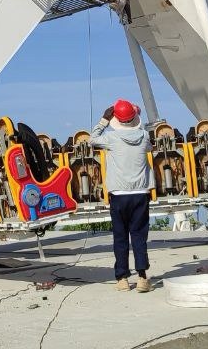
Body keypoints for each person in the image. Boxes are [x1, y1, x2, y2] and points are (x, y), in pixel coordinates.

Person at [90, 99, 153, 292]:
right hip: (140, 193)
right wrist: (137, 116)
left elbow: (92, 139)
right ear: (134, 118)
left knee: (120, 238)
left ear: (114, 118)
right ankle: (142, 278)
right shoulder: (144, 136)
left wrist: (104, 119)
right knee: (139, 237)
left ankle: (122, 279)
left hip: (118, 194)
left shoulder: (111, 138)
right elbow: (149, 147)